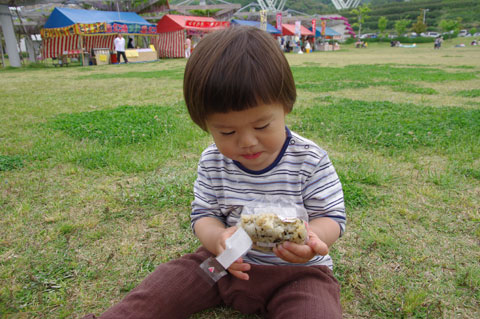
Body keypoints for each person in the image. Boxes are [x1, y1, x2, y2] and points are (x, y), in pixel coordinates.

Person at [82, 26, 345, 319]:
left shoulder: (310, 160)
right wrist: (217, 239)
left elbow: (331, 217)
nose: (247, 141)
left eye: (261, 126)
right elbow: (204, 215)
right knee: (169, 283)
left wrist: (312, 242)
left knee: (315, 309)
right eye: (227, 131)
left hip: (298, 273)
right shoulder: (212, 162)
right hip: (223, 264)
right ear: (204, 123)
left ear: (286, 106)